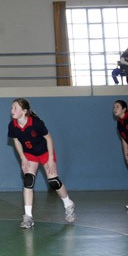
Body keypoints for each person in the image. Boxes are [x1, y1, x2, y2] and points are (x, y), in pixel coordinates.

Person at [8, 98, 76, 229]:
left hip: (45, 152)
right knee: (28, 180)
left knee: (54, 182)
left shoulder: (36, 123)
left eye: (15, 108)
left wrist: (50, 159)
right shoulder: (12, 126)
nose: (12, 110)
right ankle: (28, 217)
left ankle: (68, 204)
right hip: (29, 154)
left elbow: (48, 138)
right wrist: (23, 158)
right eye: (11, 108)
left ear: (24, 111)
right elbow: (16, 141)